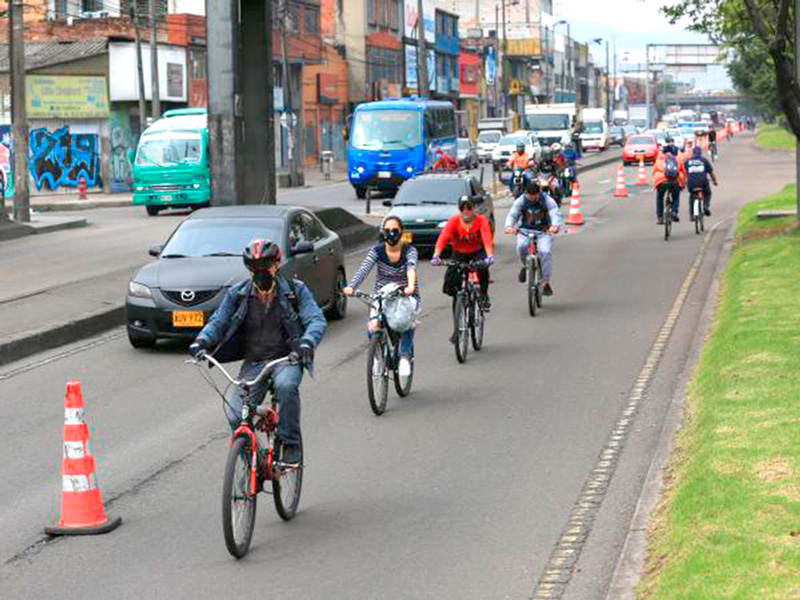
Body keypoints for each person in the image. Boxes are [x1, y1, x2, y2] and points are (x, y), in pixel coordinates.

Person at [189, 238, 327, 467]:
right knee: (235, 414)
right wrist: (202, 341)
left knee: (285, 386)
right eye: (255, 267)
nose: (260, 271)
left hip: (287, 359)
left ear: (276, 264)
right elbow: (218, 321)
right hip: (254, 363)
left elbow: (315, 319)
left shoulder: (295, 290)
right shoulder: (238, 294)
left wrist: (306, 343)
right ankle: (255, 462)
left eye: (265, 265)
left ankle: (290, 443)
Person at [343, 216, 419, 377]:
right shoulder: (376, 251)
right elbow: (364, 269)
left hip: (404, 293)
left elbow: (411, 269)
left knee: (406, 322)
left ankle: (404, 356)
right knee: (374, 324)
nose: (391, 234)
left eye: (395, 231)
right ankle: (378, 356)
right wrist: (351, 287)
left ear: (401, 232)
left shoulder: (410, 250)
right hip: (382, 295)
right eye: (387, 231)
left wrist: (410, 287)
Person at [431, 195, 494, 336]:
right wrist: (436, 255)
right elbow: (443, 238)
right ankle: (457, 328)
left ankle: (483, 295)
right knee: (454, 289)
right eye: (462, 208)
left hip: (477, 252)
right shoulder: (453, 221)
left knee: (482, 268)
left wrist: (489, 256)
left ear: (474, 208)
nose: (466, 211)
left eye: (469, 207)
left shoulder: (481, 220)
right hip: (459, 253)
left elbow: (486, 238)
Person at [505, 175, 561, 296]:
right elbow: (513, 214)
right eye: (530, 195)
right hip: (524, 231)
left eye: (535, 195)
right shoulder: (521, 200)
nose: (533, 197)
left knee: (545, 252)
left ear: (539, 192)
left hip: (543, 231)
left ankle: (545, 282)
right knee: (521, 247)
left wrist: (555, 226)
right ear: (526, 193)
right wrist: (509, 226)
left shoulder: (547, 200)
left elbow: (554, 212)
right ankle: (525, 266)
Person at [652, 143, 686, 225]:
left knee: (660, 198)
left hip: (661, 181)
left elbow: (654, 172)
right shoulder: (678, 158)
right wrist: (683, 184)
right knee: (675, 196)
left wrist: (656, 184)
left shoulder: (659, 159)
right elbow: (683, 171)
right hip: (674, 181)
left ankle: (660, 218)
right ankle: (674, 212)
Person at [684, 145, 718, 217]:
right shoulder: (704, 160)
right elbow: (711, 172)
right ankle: (705, 205)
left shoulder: (688, 161)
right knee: (708, 193)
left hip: (691, 183)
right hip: (703, 182)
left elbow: (684, 173)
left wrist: (684, 183)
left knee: (692, 196)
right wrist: (715, 181)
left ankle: (692, 215)